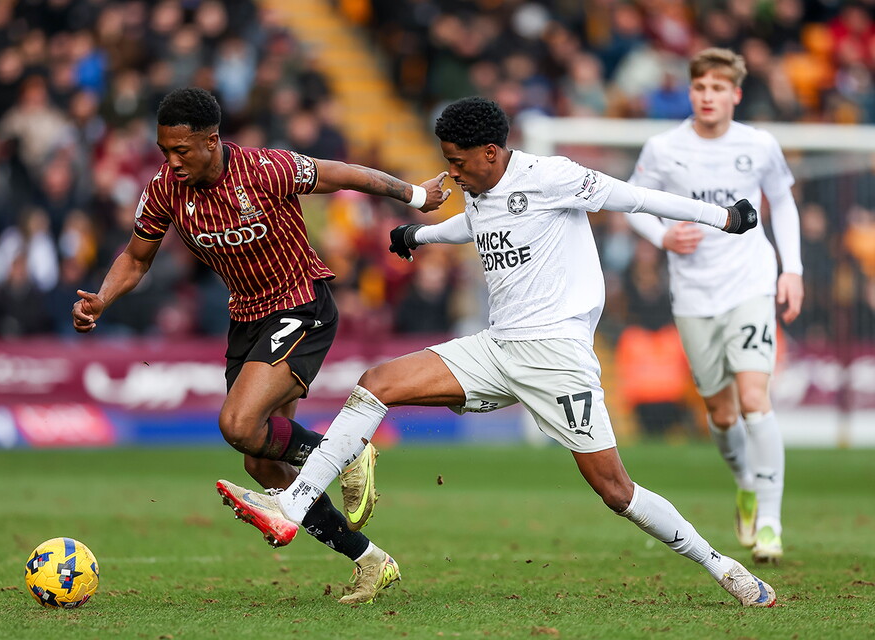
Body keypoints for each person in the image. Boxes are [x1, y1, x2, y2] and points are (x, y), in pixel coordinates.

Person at [217, 96, 777, 607]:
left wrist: (722, 217)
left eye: (458, 161)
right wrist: (419, 236)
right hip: (496, 347)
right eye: (446, 160)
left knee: (615, 490)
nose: (451, 172)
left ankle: (721, 565)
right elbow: (479, 224)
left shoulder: (555, 178)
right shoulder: (480, 190)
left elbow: (635, 198)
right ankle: (291, 508)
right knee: (377, 381)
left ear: (491, 151)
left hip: (557, 355)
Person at [71, 87, 451, 604]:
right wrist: (101, 300)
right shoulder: (164, 189)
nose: (172, 162)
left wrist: (414, 196)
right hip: (247, 320)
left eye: (182, 151)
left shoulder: (265, 169)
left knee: (237, 424)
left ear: (212, 140)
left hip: (302, 304)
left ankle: (345, 452)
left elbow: (345, 174)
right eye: (164, 151)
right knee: (261, 463)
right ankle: (370, 560)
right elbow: (137, 258)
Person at [626, 48, 802, 565]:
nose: (708, 97)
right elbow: (633, 200)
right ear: (691, 91)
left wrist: (791, 269)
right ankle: (746, 482)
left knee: (754, 399)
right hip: (694, 294)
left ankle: (769, 520)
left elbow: (784, 202)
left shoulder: (759, 144)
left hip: (750, 283)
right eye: (701, 87)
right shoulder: (663, 147)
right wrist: (662, 238)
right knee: (721, 413)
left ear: (735, 94)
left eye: (718, 89)